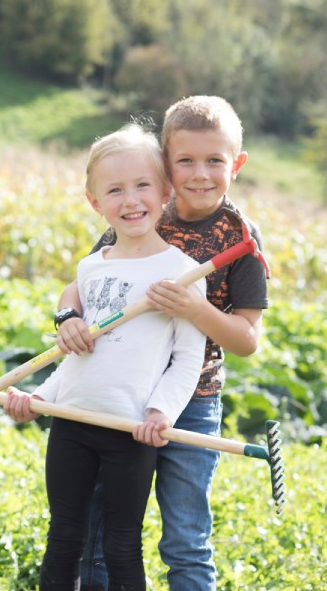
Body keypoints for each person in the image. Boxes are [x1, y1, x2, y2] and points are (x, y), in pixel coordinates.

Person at [56, 96, 269, 590]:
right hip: (121, 394)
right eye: (186, 161)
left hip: (192, 400)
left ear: (235, 165)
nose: (200, 174)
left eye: (214, 161)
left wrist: (196, 307)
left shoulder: (240, 237)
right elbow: (87, 280)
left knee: (185, 538)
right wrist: (68, 314)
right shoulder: (143, 210)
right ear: (166, 169)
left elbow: (247, 340)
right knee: (102, 529)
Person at [3, 123, 207, 591]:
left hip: (130, 430)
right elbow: (77, 355)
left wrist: (161, 412)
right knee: (64, 537)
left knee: (120, 545)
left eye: (142, 186)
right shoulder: (90, 268)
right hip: (71, 421)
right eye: (115, 190)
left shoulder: (181, 273)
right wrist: (37, 396)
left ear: (164, 192)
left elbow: (187, 359)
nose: (131, 200)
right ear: (95, 203)